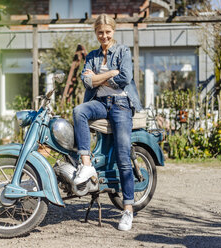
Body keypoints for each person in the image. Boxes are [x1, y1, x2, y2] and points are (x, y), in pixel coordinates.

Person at [73, 14, 143, 231]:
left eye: (107, 32)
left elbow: (125, 78)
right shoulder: (92, 56)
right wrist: (110, 73)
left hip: (121, 105)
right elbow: (86, 82)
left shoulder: (122, 51)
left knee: (123, 157)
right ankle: (86, 165)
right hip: (100, 103)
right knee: (79, 111)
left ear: (114, 31)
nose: (104, 36)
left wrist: (98, 77)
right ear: (96, 33)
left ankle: (128, 209)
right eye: (100, 32)